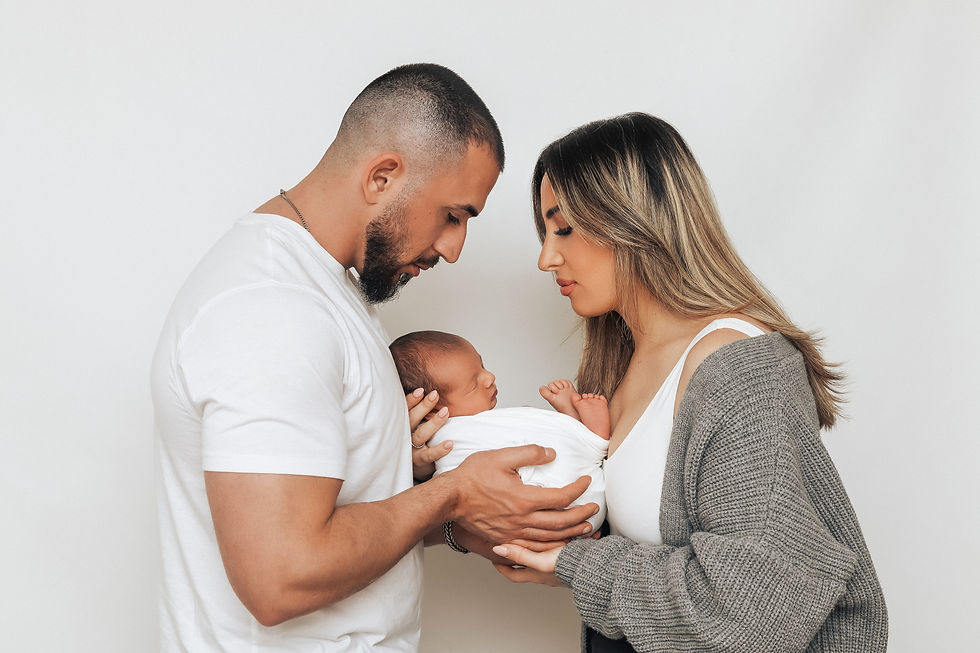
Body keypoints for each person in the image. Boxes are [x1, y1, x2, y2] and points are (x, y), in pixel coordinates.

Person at [150, 64, 597, 652]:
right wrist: (454, 493)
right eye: (453, 215)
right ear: (383, 176)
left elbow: (337, 524)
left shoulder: (326, 291)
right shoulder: (272, 309)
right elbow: (281, 577)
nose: (454, 248)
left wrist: (461, 514)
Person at [489, 113, 888, 652]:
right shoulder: (621, 367)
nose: (546, 257)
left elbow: (751, 611)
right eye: (545, 232)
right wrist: (437, 467)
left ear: (632, 221)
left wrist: (577, 565)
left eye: (564, 228)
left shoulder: (740, 368)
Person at [389, 330, 608, 531]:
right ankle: (592, 435)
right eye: (473, 385)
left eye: (482, 365)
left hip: (578, 508)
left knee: (531, 426)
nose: (489, 377)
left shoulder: (480, 424)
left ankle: (576, 426)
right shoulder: (449, 442)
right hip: (564, 508)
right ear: (433, 410)